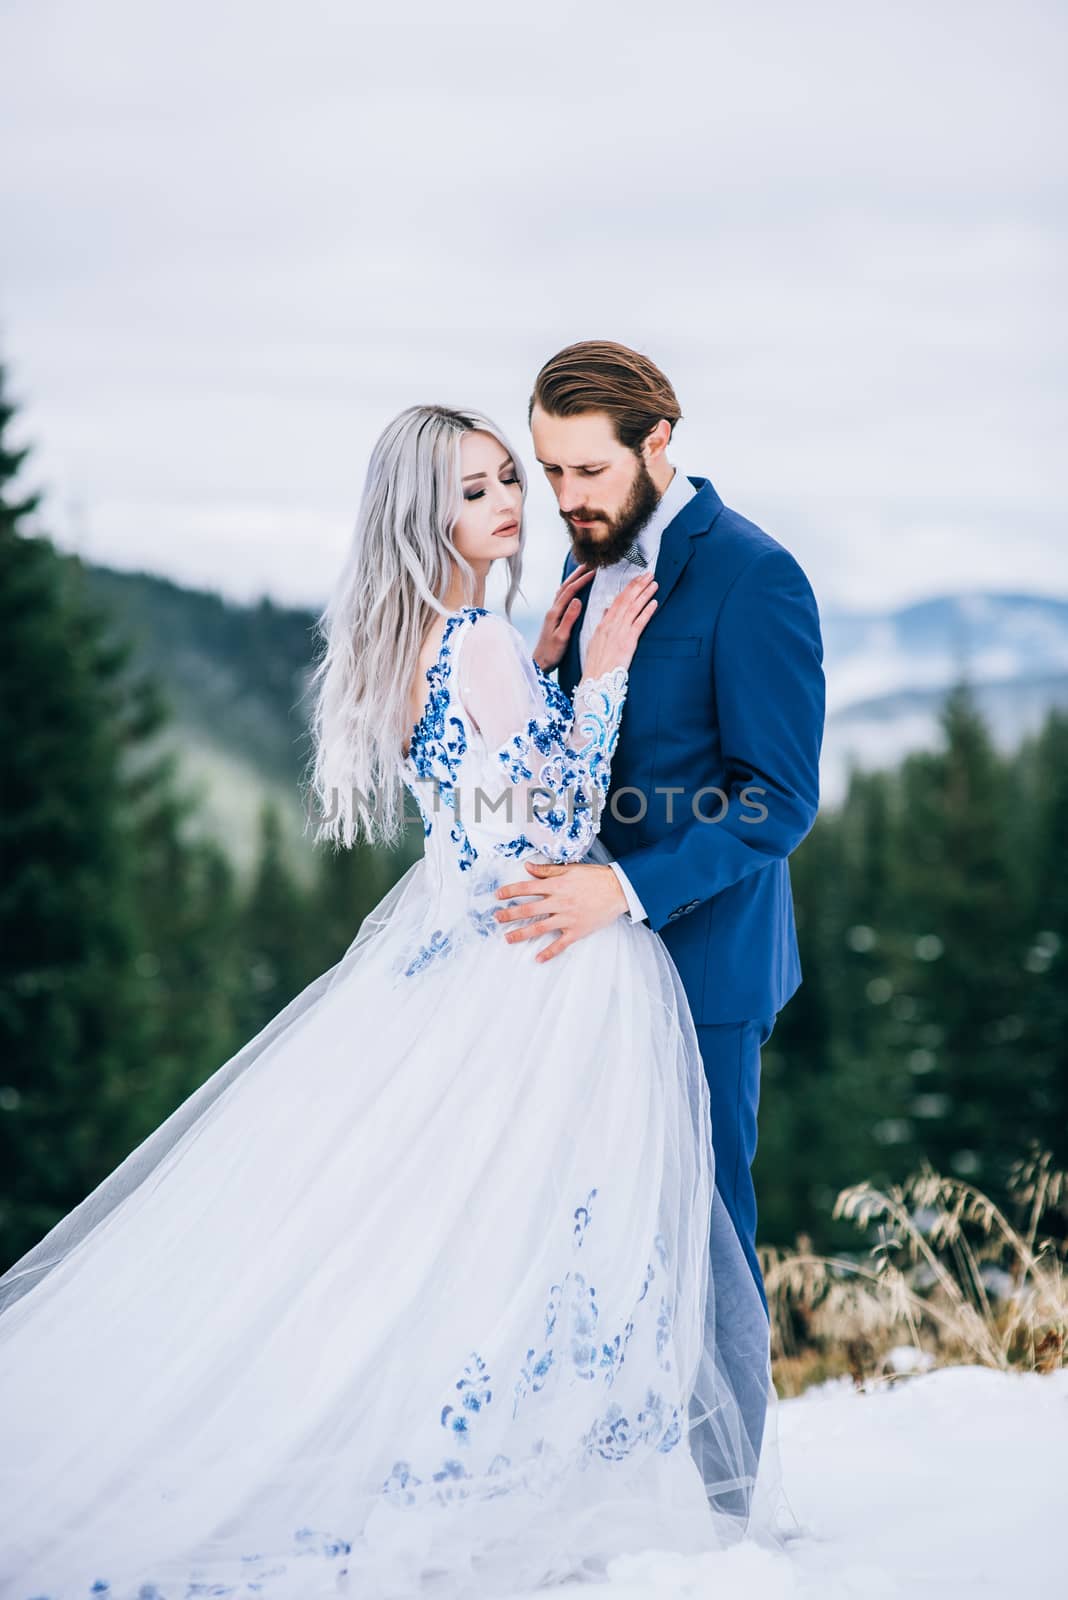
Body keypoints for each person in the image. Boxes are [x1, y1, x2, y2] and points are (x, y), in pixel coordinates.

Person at [0, 403, 797, 1600]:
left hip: (472, 951)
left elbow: (481, 791)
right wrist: (601, 678)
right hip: (552, 961)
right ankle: (577, 1483)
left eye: (508, 481)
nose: (513, 504)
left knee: (478, 1222)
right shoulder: (474, 634)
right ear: (428, 514)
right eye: (479, 490)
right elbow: (563, 815)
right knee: (570, 1228)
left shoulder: (435, 636)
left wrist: (541, 673)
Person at [496, 341, 826, 1367]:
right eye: (550, 471)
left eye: (589, 470)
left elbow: (778, 800)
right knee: (598, 1227)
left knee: (707, 1230)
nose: (567, 498)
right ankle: (626, 1482)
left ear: (659, 442)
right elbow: (586, 749)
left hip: (706, 969)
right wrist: (548, 674)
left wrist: (624, 888)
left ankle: (726, 1504)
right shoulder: (579, 560)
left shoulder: (756, 575)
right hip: (585, 973)